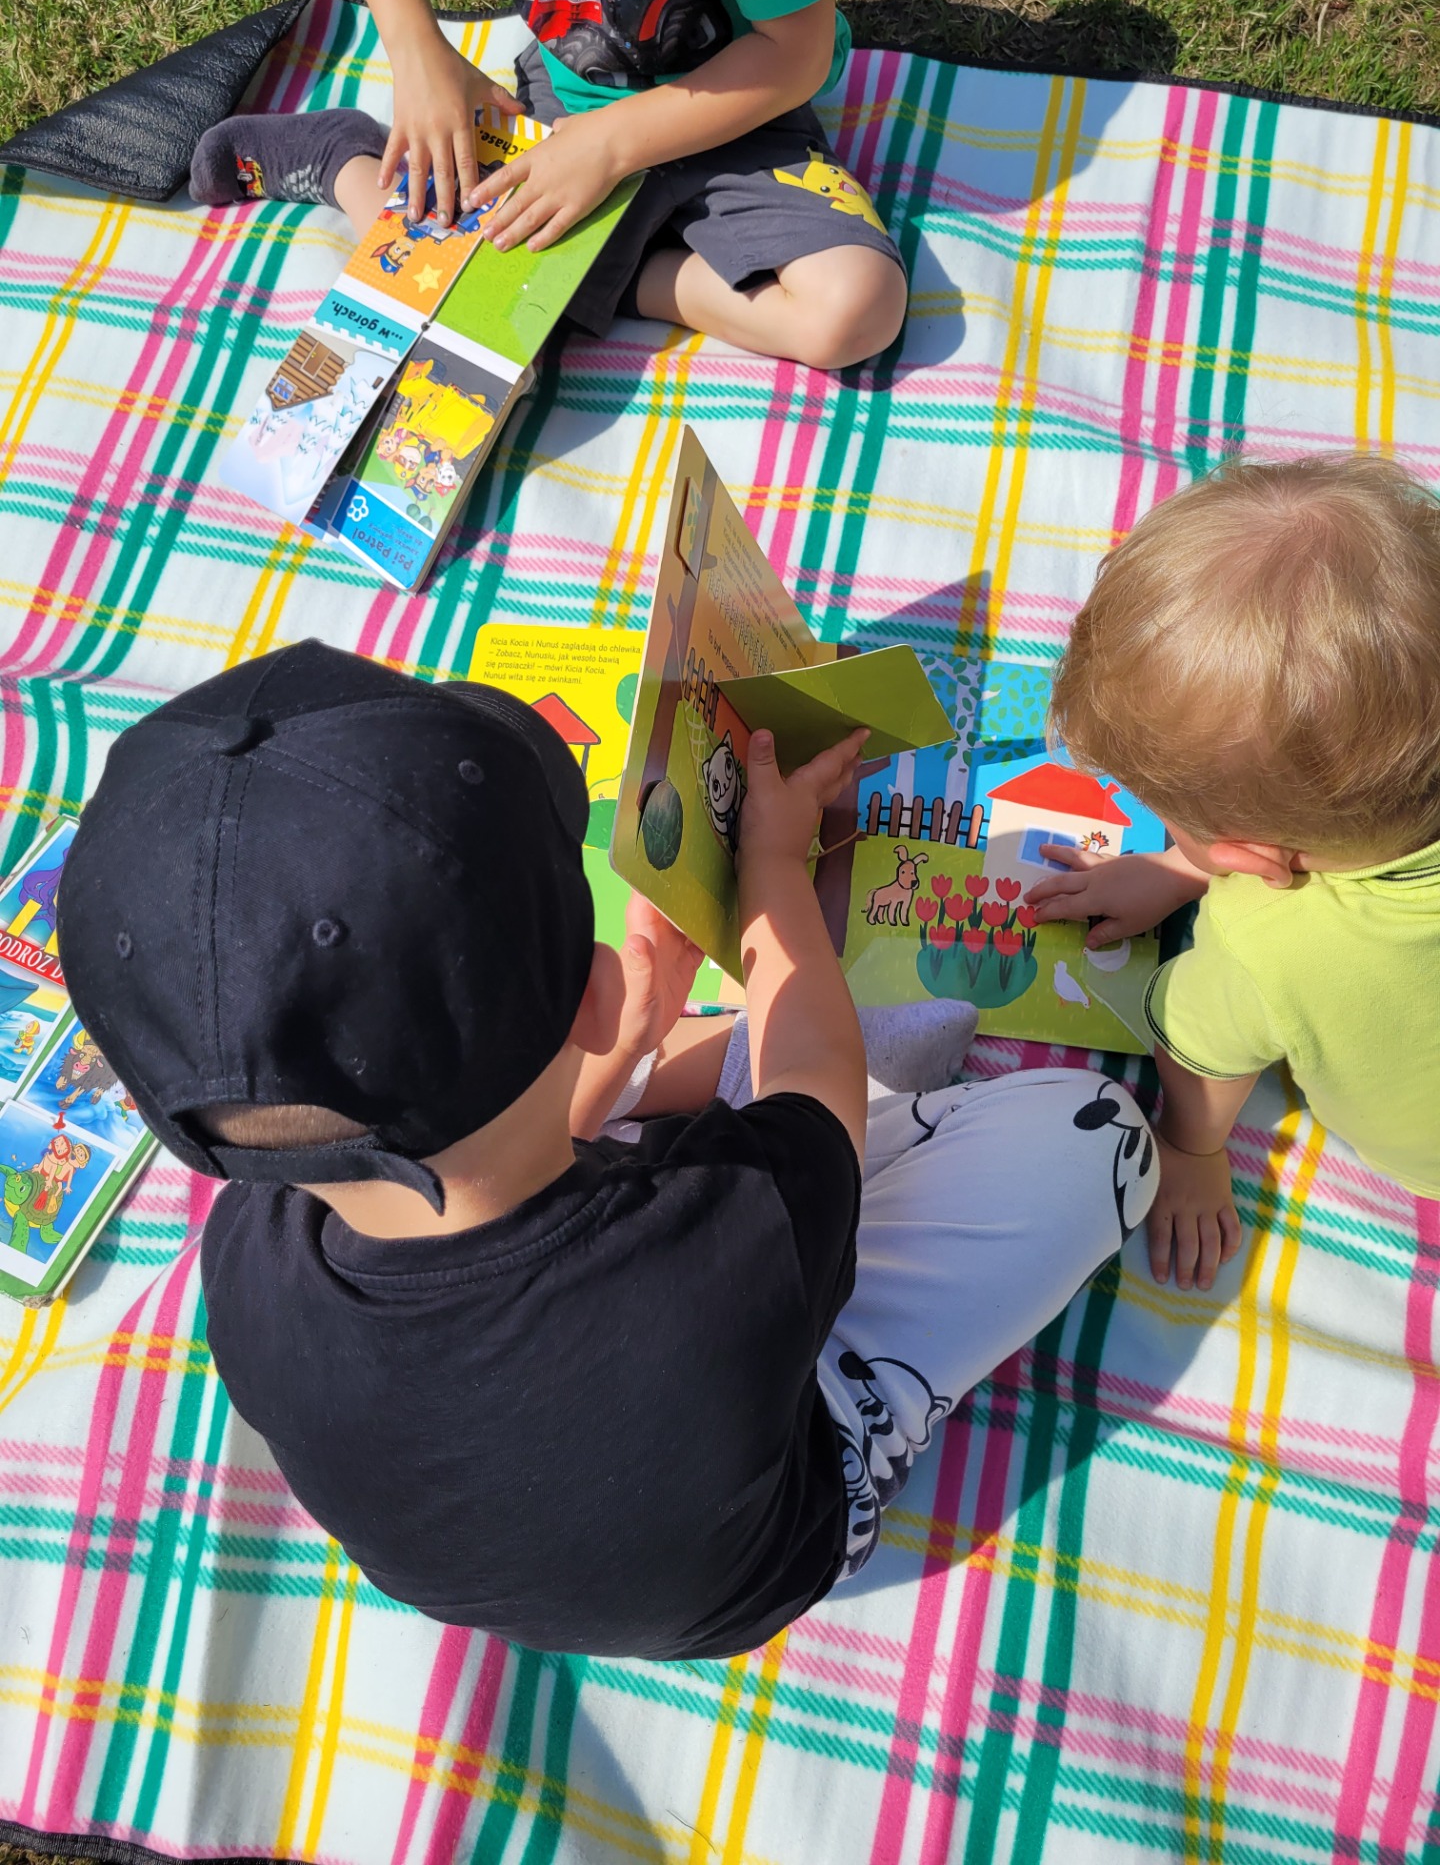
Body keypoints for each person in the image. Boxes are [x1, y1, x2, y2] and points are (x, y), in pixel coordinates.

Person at [56, 641, 1156, 1659]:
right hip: (779, 1522)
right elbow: (815, 1080)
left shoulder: (243, 1261)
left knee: (726, 1100)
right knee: (1097, 1136)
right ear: (594, 992)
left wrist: (622, 1050)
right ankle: (857, 1319)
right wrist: (774, 867)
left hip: (566, 1505)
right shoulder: (721, 1254)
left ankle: (697, 1086)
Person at [1026, 456, 1440, 1295]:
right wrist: (1185, 864)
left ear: (1250, 862)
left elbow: (1197, 1052)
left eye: (1177, 822)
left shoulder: (1264, 945)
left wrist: (1190, 1148)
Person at [186, 0, 909, 371]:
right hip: (573, 99)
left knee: (855, 309)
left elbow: (798, 53)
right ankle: (345, 160)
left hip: (738, 108)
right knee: (461, 324)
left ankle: (588, 277)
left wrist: (610, 147)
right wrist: (416, 51)